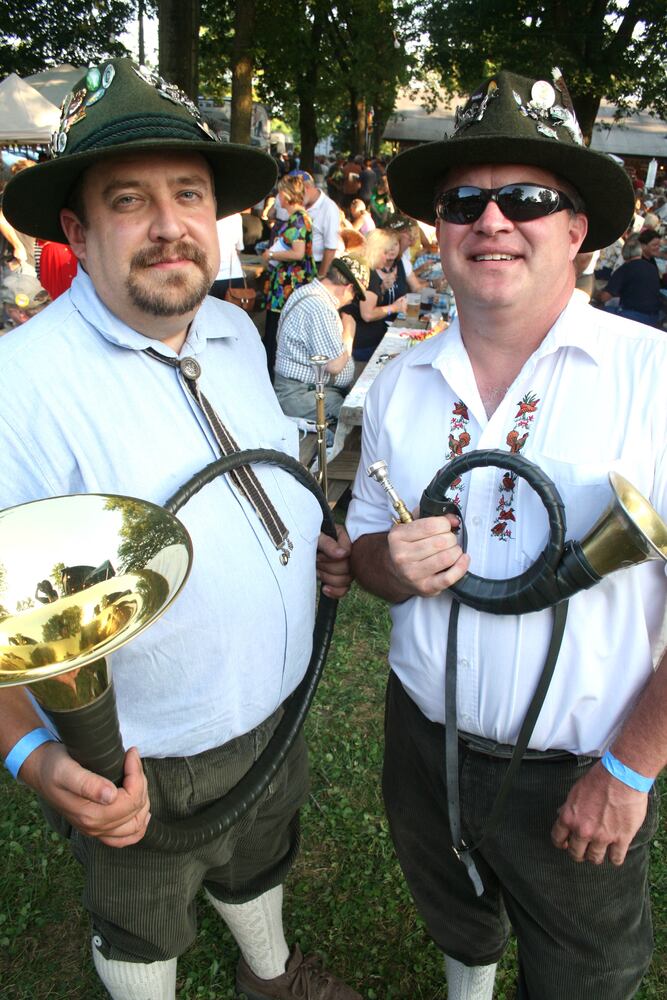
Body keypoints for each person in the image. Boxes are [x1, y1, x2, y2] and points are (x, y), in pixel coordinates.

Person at [0, 58, 360, 1000]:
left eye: (189, 195)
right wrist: (35, 760)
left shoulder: (235, 332)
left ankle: (270, 979)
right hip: (139, 759)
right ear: (77, 230)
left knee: (259, 860)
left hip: (274, 708)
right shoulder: (20, 388)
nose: (169, 226)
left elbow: (267, 488)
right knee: (142, 920)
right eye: (130, 200)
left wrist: (299, 555)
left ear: (216, 216)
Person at [346, 68, 666, 1000]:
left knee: (584, 965)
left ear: (575, 229)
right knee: (452, 904)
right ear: (438, 230)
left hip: (580, 761)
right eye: (463, 201)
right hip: (422, 740)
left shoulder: (652, 375)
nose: (491, 221)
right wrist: (387, 565)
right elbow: (366, 546)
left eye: (527, 198)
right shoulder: (401, 382)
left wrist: (629, 767)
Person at [274, 255, 368, 422]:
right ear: (348, 288)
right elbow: (334, 365)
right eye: (355, 295)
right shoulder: (319, 307)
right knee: (360, 418)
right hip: (300, 396)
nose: (352, 300)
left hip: (309, 390)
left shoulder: (309, 292)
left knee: (362, 403)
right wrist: (349, 332)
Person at [262, 174, 316, 377]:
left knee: (276, 333)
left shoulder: (299, 219)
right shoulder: (300, 218)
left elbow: (298, 252)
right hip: (289, 283)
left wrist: (271, 254)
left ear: (285, 195)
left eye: (279, 193)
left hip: (288, 286)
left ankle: (273, 376)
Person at [344, 228, 410, 368]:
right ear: (376, 251)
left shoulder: (362, 269)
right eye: (385, 253)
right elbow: (367, 314)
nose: (387, 258)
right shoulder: (369, 274)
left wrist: (382, 289)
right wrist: (394, 307)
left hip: (360, 343)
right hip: (364, 347)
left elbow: (361, 299)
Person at [599, 228, 664, 327]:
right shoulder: (652, 267)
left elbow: (604, 297)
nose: (658, 248)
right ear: (641, 248)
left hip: (632, 315)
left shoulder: (626, 268)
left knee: (601, 310)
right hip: (654, 317)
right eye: (655, 245)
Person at [209, 211, 245, 300]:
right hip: (233, 275)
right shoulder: (236, 216)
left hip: (209, 276)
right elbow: (239, 247)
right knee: (233, 312)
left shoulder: (203, 214)